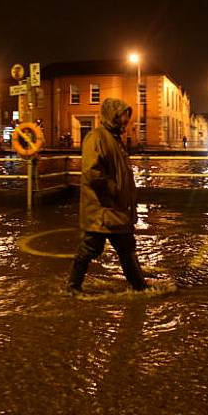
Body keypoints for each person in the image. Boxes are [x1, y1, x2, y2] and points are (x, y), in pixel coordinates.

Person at [66, 98, 147, 294]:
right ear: (113, 116)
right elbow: (92, 172)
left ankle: (139, 287)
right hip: (103, 209)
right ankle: (73, 287)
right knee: (94, 247)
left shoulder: (114, 138)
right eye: (123, 115)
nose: (126, 120)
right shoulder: (97, 137)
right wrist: (115, 191)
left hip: (114, 209)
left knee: (124, 247)